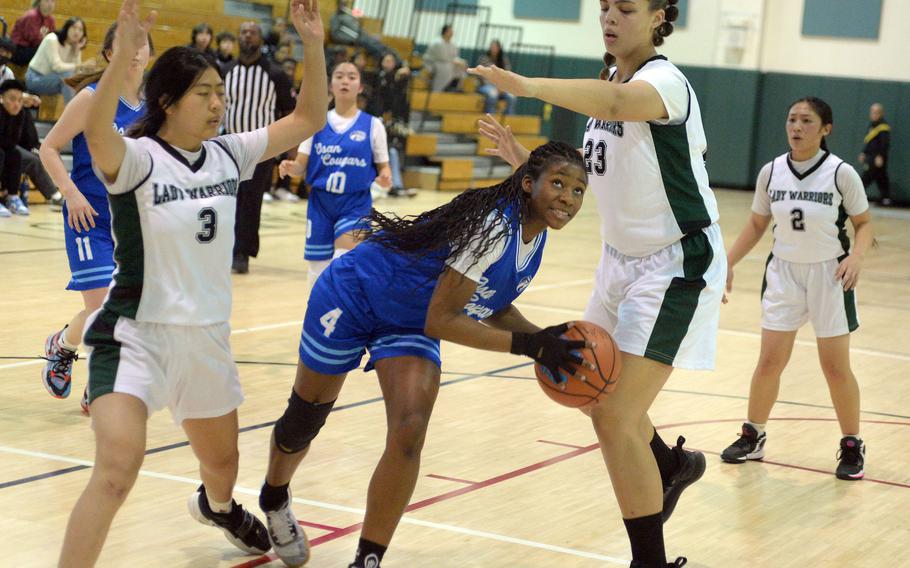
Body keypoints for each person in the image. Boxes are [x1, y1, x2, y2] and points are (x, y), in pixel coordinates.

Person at [56, 1, 327, 566]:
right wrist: (126, 46)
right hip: (135, 336)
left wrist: (314, 44)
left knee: (222, 467)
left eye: (221, 94)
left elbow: (307, 121)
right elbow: (98, 129)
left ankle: (220, 507)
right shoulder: (137, 158)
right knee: (116, 472)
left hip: (205, 339)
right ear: (167, 101)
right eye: (204, 93)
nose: (218, 104)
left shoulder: (230, 154)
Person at [258, 140, 590, 568]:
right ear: (529, 184)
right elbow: (443, 320)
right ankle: (274, 494)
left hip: (408, 319)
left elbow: (492, 302)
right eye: (558, 184)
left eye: (578, 190)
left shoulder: (535, 234)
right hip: (357, 291)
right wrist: (529, 345)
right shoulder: (495, 228)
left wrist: (545, 339)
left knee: (410, 428)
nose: (567, 197)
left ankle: (367, 560)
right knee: (305, 418)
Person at [470, 1, 720, 566]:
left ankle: (649, 560)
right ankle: (668, 463)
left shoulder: (665, 82)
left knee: (613, 415)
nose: (609, 16)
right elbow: (606, 164)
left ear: (660, 17)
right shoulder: (611, 78)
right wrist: (524, 161)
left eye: (625, 8)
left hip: (673, 262)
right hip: (619, 260)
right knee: (588, 384)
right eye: (604, 7)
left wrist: (526, 84)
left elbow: (614, 106)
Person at [720, 97, 873, 481]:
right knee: (770, 361)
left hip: (829, 275)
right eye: (792, 119)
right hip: (784, 273)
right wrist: (727, 263)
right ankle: (753, 434)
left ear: (826, 129)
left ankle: (852, 443)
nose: (797, 126)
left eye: (807, 120)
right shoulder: (771, 172)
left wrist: (855, 257)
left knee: (835, 367)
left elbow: (865, 223)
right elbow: (757, 225)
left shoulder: (841, 173)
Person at [38, 22, 150, 414]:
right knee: (104, 307)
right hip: (90, 219)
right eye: (125, 45)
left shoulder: (154, 107)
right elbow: (48, 148)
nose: (135, 52)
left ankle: (62, 345)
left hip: (132, 224)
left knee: (121, 310)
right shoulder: (92, 99)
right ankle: (101, 386)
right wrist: (71, 195)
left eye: (141, 44)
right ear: (109, 55)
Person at [278, 60, 392, 288]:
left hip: (355, 203)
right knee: (317, 272)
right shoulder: (317, 123)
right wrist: (291, 168)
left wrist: (385, 177)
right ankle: (316, 318)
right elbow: (301, 165)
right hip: (321, 203)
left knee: (343, 263)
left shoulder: (373, 125)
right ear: (330, 84)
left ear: (360, 87)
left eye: (351, 77)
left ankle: (343, 319)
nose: (345, 81)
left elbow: (384, 167)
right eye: (339, 76)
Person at [223, 21, 295, 274]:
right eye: (243, 32)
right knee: (227, 200)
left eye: (252, 33)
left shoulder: (275, 75)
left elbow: (289, 112)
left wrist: (288, 150)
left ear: (261, 40)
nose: (246, 36)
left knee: (250, 201)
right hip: (228, 146)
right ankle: (224, 248)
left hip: (261, 147)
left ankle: (242, 252)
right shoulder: (226, 70)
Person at [367, 52, 412, 197]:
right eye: (386, 60)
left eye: (392, 60)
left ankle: (396, 186)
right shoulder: (377, 78)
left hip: (386, 124)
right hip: (374, 123)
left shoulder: (395, 80)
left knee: (393, 152)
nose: (389, 63)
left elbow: (398, 101)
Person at [25, 16, 92, 104]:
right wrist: (80, 65)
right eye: (74, 27)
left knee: (76, 80)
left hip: (54, 79)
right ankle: (70, 113)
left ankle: (74, 111)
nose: (77, 32)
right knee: (67, 78)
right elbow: (57, 66)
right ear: (67, 28)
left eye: (80, 30)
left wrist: (77, 51)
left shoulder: (75, 46)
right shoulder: (52, 39)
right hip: (35, 78)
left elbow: (76, 73)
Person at [0, 79, 30, 217]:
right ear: (1, 98)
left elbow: (12, 142)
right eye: (12, 99)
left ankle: (11, 196)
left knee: (15, 154)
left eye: (20, 100)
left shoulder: (20, 114)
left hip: (4, 148)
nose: (16, 104)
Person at [859, 102, 892, 206]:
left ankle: (856, 198)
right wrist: (864, 152)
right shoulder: (872, 125)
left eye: (876, 112)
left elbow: (884, 144)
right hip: (870, 156)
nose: (873, 114)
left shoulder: (883, 127)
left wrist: (880, 156)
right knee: (881, 178)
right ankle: (885, 198)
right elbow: (869, 142)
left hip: (877, 158)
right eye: (872, 112)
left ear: (881, 114)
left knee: (866, 178)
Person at [475, 40, 516, 115]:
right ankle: (490, 118)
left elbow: (507, 75)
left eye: (495, 47)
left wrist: (502, 87)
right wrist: (495, 87)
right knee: (492, 95)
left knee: (512, 97)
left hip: (501, 87)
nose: (493, 48)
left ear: (499, 48)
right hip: (485, 85)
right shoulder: (484, 59)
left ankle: (508, 120)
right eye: (492, 46)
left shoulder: (504, 60)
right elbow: (482, 76)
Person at [10, 0, 56, 67]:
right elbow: (33, 40)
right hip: (19, 50)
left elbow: (52, 37)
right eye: (47, 1)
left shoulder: (51, 19)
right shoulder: (31, 16)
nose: (50, 4)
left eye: (53, 1)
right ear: (39, 2)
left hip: (34, 49)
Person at [423, 24, 466, 92]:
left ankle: (455, 87)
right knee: (446, 67)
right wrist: (455, 61)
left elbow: (455, 56)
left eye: (452, 31)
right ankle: (437, 89)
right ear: (445, 32)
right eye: (450, 31)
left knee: (461, 65)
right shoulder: (437, 43)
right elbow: (442, 57)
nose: (452, 33)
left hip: (448, 63)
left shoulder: (452, 44)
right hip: (434, 63)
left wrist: (461, 62)